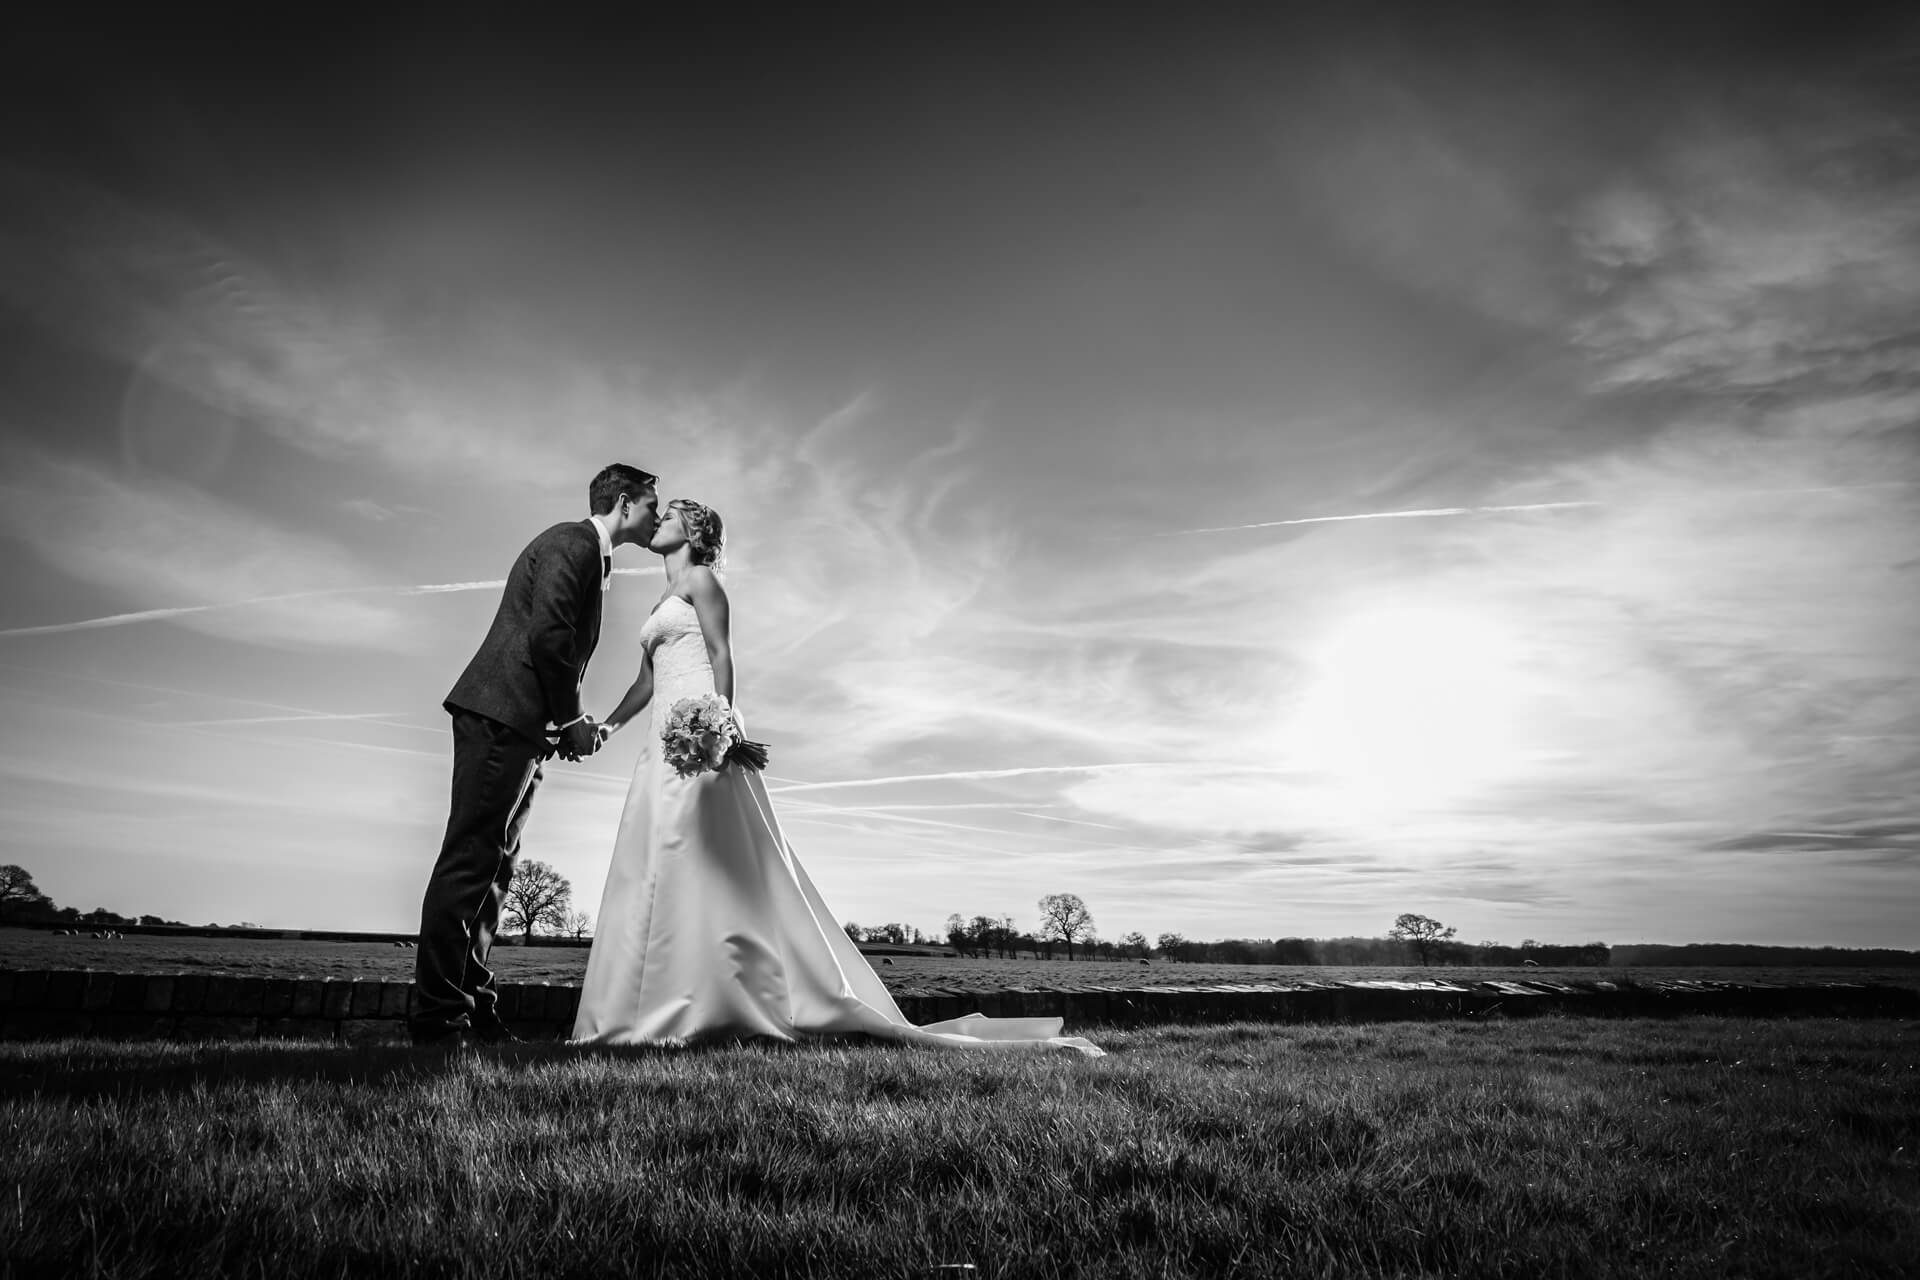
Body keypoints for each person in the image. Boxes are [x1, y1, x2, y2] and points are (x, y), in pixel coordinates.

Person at [571, 498, 1103, 1057]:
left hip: (706, 740)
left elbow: (724, 655)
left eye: (672, 515)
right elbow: (646, 682)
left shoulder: (702, 581)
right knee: (656, 861)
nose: (660, 522)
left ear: (696, 531)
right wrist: (607, 727)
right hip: (662, 745)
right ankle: (653, 1003)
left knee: (705, 859)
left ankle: (712, 1002)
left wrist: (718, 728)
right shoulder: (658, 600)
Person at [411, 463, 659, 1047]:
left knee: (497, 871)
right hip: (500, 715)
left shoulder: (590, 553)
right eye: (652, 504)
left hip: (520, 725)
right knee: (471, 861)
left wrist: (561, 723)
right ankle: (437, 1019)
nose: (655, 516)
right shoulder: (573, 543)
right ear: (624, 503)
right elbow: (549, 638)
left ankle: (474, 1011)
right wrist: (572, 720)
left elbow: (555, 644)